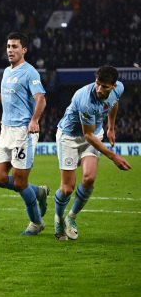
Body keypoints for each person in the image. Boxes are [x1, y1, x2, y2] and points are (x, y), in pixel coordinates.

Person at [0, 32, 50, 236]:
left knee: (20, 183)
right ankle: (38, 191)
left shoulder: (30, 72)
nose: (10, 50)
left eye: (14, 46)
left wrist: (34, 120)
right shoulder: (7, 71)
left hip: (23, 132)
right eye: (8, 46)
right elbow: (2, 96)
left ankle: (36, 223)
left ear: (24, 50)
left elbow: (41, 99)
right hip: (5, 131)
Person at [53, 65, 131, 240]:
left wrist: (111, 128)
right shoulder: (85, 99)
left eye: (105, 86)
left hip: (95, 134)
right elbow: (87, 135)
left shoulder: (119, 89)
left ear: (114, 86)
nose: (99, 89)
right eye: (98, 84)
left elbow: (113, 104)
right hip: (70, 137)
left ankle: (71, 218)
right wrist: (113, 156)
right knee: (67, 189)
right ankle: (58, 218)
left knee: (88, 180)